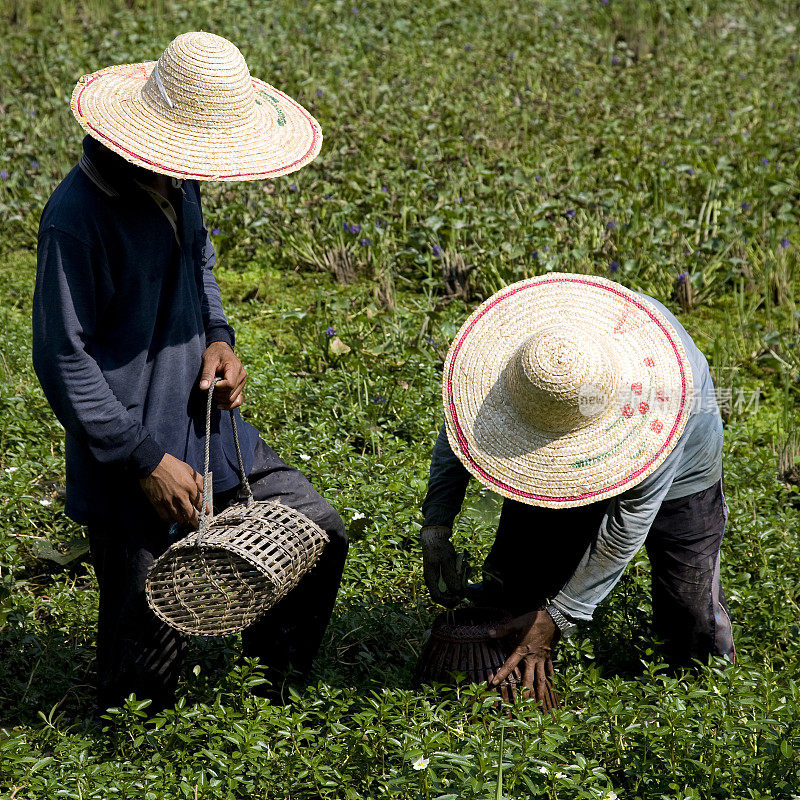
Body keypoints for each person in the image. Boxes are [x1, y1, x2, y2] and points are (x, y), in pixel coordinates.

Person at [32, 32, 347, 712]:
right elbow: (61, 359)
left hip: (204, 423)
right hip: (130, 458)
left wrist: (219, 336)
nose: (192, 166)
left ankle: (271, 696)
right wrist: (146, 462)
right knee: (141, 688)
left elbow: (198, 260)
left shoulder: (178, 179)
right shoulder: (76, 222)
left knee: (316, 531)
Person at [420, 272, 734, 710]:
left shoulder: (662, 400)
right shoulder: (525, 362)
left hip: (683, 474)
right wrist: (436, 526)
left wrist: (560, 616)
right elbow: (460, 437)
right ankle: (503, 691)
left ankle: (708, 705)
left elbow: (628, 525)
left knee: (689, 612)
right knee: (512, 587)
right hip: (553, 440)